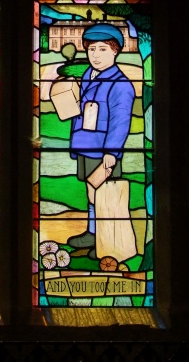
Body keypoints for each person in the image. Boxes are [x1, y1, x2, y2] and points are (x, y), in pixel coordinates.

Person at [67, 23, 135, 258]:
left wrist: (110, 156)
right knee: (91, 192)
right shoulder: (88, 75)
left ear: (115, 51)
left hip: (104, 152)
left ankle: (106, 241)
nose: (95, 55)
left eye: (102, 49)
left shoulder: (121, 84)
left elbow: (120, 124)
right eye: (91, 49)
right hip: (86, 145)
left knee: (105, 195)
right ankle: (93, 232)